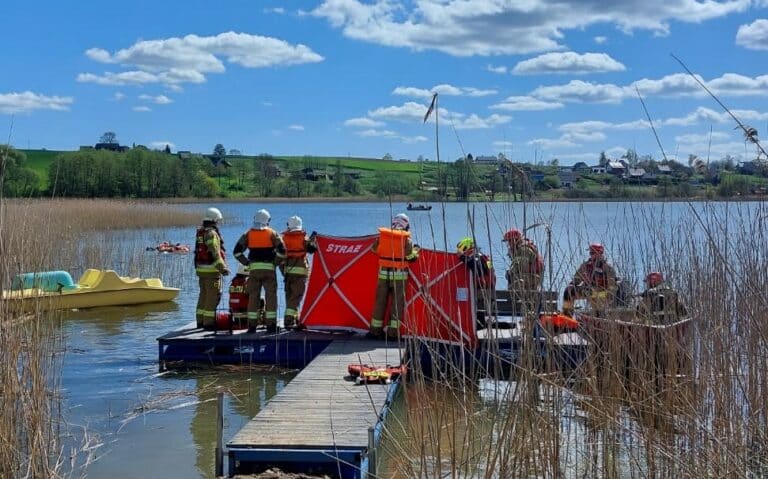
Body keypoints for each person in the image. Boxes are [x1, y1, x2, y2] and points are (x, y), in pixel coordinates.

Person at [233, 209, 285, 333]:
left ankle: (252, 326)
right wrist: (275, 263)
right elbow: (283, 251)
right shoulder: (273, 233)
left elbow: (237, 252)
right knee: (271, 297)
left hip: (254, 270)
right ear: (268, 220)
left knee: (253, 297)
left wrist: (247, 263)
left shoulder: (248, 234)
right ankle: (271, 326)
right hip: (269, 270)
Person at [369, 213, 419, 340]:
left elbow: (374, 250)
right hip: (399, 276)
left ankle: (375, 331)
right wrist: (416, 251)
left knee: (380, 303)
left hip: (383, 275)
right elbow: (410, 257)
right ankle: (392, 334)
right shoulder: (406, 239)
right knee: (397, 304)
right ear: (406, 224)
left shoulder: (383, 236)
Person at [279, 215, 318, 330]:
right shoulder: (303, 238)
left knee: (290, 297)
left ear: (288, 226)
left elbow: (279, 254)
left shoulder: (283, 239)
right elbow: (312, 249)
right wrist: (313, 239)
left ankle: (295, 319)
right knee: (296, 297)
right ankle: (289, 320)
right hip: (300, 273)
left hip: (287, 272)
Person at [194, 207, 229, 329]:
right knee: (212, 297)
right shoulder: (211, 234)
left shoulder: (201, 232)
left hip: (201, 270)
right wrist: (223, 268)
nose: (218, 222)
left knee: (203, 295)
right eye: (217, 220)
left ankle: (200, 321)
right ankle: (208, 323)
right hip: (211, 271)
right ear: (214, 220)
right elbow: (215, 252)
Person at [562, 243, 617, 316]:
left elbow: (612, 287)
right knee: (568, 291)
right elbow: (576, 279)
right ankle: (567, 315)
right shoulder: (586, 266)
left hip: (602, 294)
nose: (591, 254)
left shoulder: (607, 268)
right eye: (590, 252)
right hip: (588, 291)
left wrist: (608, 297)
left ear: (600, 253)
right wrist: (572, 284)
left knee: (598, 312)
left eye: (593, 252)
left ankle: (599, 316)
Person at [456, 237, 496, 328]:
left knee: (475, 309)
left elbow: (476, 269)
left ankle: (478, 326)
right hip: (488, 290)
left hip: (482, 292)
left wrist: (462, 257)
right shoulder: (483, 256)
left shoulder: (477, 256)